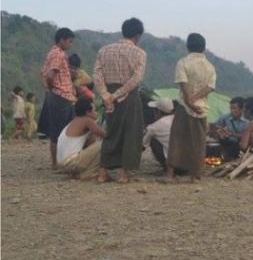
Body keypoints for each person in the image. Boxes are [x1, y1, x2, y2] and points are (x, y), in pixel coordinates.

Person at [94, 18, 147, 183]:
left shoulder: (104, 51)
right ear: (138, 35)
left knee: (111, 132)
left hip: (109, 96)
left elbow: (97, 75)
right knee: (131, 133)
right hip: (129, 97)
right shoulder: (140, 53)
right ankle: (124, 174)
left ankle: (103, 172)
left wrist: (106, 95)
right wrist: (117, 95)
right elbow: (136, 79)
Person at [165, 33, 216, 183]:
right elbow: (210, 87)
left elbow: (183, 84)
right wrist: (195, 100)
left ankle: (170, 174)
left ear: (188, 46)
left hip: (183, 106)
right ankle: (196, 176)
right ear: (204, 48)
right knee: (198, 142)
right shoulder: (210, 66)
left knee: (177, 139)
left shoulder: (183, 62)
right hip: (202, 108)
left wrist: (189, 101)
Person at [38, 28, 77, 168]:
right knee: (59, 131)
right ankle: (56, 163)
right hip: (60, 96)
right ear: (62, 39)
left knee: (64, 130)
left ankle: (62, 161)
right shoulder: (58, 54)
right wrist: (52, 88)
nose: (70, 44)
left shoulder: (54, 53)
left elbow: (43, 72)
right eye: (70, 41)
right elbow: (49, 76)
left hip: (62, 96)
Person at [56, 98, 105, 180]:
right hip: (71, 162)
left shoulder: (75, 121)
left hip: (63, 164)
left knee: (94, 142)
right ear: (87, 112)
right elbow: (104, 135)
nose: (96, 113)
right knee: (104, 144)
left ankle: (80, 173)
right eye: (94, 110)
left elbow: (91, 141)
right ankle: (90, 173)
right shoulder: (87, 120)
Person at [143, 98, 175, 170]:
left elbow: (143, 145)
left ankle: (166, 167)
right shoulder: (179, 120)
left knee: (152, 138)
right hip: (189, 165)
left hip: (174, 166)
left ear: (158, 111)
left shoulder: (154, 126)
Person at [213, 97, 248, 161]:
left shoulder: (247, 122)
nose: (232, 111)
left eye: (234, 108)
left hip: (237, 148)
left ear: (241, 109)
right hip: (225, 144)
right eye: (231, 108)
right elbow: (215, 126)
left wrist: (232, 134)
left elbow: (245, 136)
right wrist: (220, 132)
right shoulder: (225, 117)